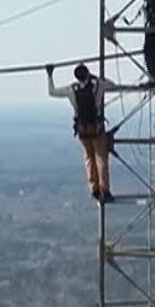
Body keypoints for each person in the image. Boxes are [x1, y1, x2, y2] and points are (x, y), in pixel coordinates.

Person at [48, 63, 114, 203]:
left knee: (89, 158)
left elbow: (52, 92)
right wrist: (95, 77)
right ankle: (105, 190)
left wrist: (49, 75)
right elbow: (112, 84)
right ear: (88, 73)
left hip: (83, 130)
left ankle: (94, 189)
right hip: (96, 128)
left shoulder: (72, 89)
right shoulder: (97, 86)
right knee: (101, 159)